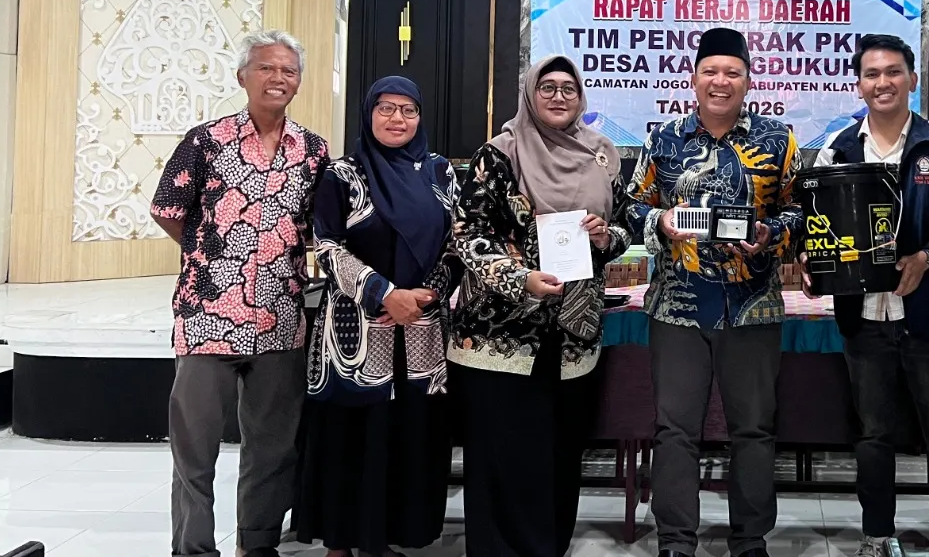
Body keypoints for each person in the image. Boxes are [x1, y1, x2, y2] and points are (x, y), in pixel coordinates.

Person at [625, 27, 804, 557]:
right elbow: (630, 205)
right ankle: (676, 540)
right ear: (694, 77)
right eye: (711, 71)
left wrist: (772, 234)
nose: (720, 81)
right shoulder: (664, 139)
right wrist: (660, 223)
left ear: (748, 80)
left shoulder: (778, 139)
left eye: (732, 72)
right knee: (674, 429)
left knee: (754, 429)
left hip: (753, 307)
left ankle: (750, 539)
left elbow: (801, 209)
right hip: (677, 307)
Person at [151, 30, 331, 557]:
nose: (278, 78)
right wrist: (214, 255)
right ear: (242, 76)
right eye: (266, 68)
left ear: (299, 82)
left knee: (273, 447)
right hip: (207, 316)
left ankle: (258, 545)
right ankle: (193, 549)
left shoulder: (313, 149)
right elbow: (167, 209)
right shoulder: (206, 141)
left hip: (280, 318)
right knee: (195, 449)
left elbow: (319, 225)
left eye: (288, 71)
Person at [450, 55, 631, 557]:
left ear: (581, 97)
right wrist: (520, 279)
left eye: (568, 88)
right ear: (530, 94)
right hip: (501, 335)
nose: (558, 96)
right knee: (502, 450)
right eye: (547, 87)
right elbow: (467, 234)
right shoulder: (499, 154)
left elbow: (626, 225)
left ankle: (547, 547)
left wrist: (606, 237)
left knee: (557, 451)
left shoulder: (602, 154)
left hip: (572, 334)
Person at [806, 34, 929, 557]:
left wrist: (926, 257)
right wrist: (817, 266)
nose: (883, 83)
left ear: (912, 79)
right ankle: (876, 536)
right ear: (859, 85)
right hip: (864, 319)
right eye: (872, 74)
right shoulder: (839, 148)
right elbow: (820, 225)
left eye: (894, 72)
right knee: (873, 436)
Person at [294, 76, 456, 557]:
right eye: (386, 108)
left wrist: (426, 295)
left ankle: (384, 539)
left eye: (408, 110)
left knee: (406, 431)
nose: (397, 119)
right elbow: (326, 245)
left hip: (422, 327)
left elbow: (458, 242)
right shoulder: (343, 174)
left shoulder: (440, 171)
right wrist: (384, 293)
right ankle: (341, 543)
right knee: (352, 435)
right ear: (368, 114)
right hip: (357, 328)